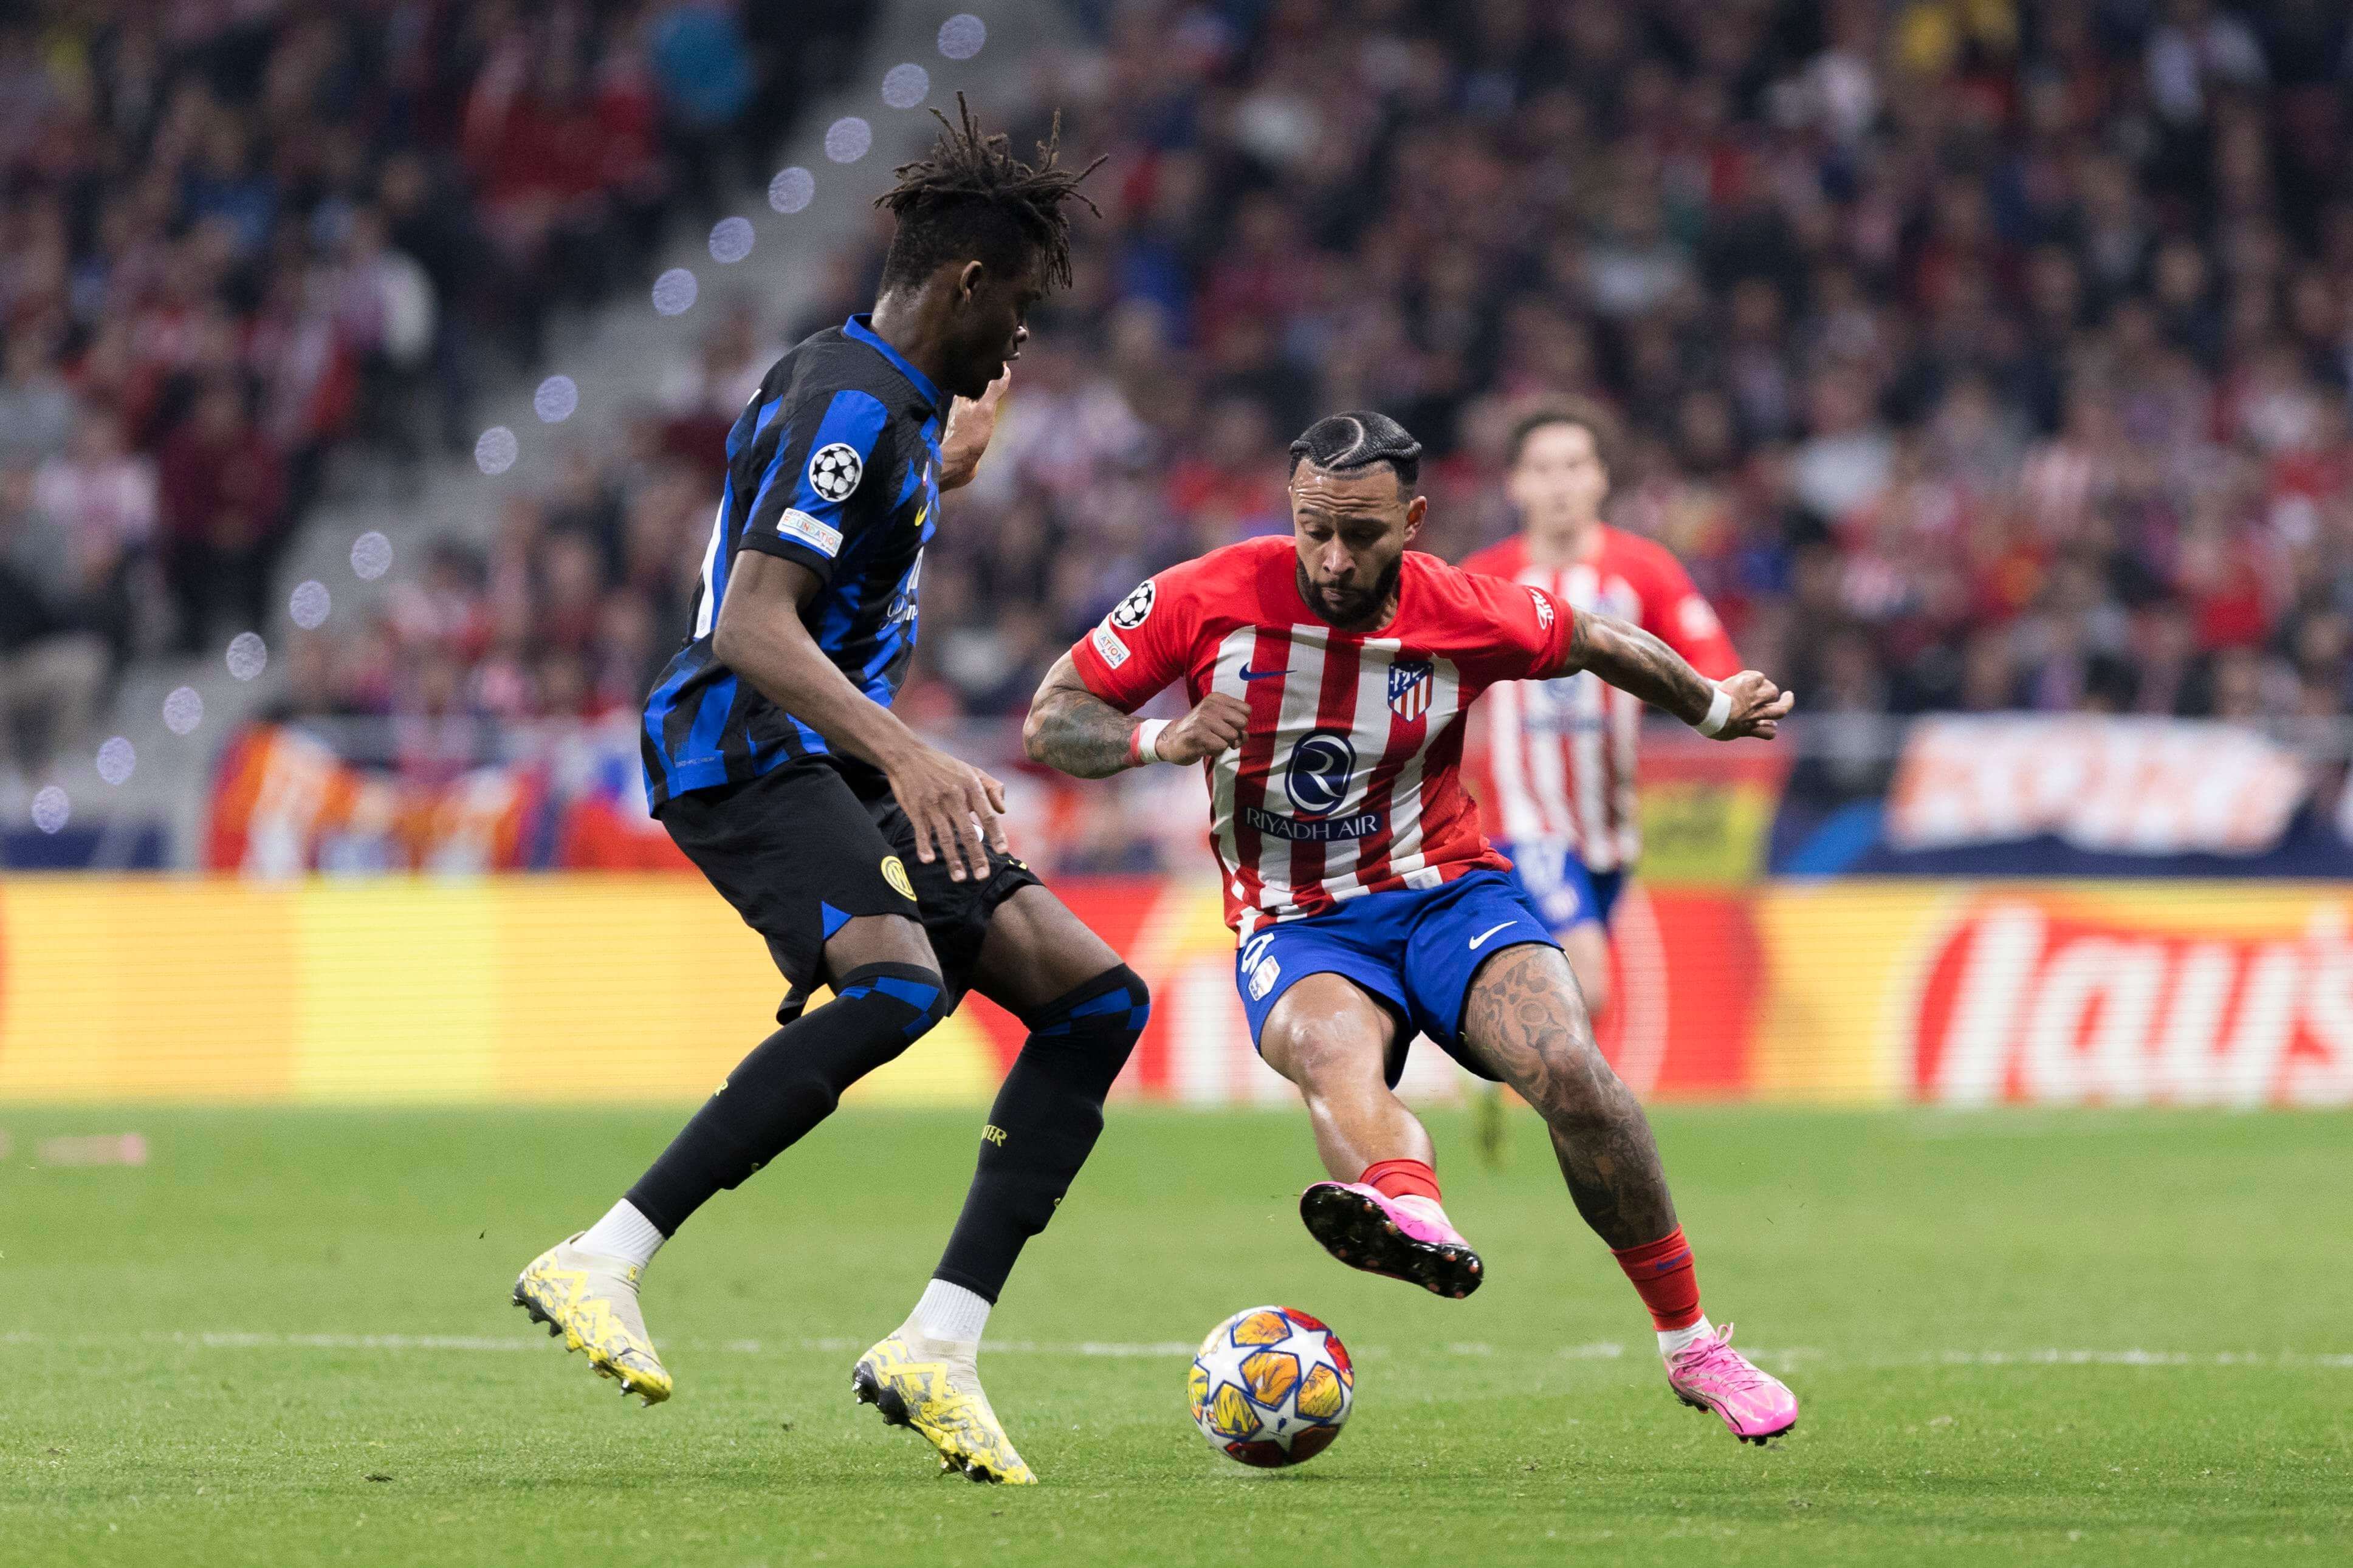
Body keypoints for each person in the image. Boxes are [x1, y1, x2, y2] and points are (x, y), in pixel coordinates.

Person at [512, 100, 1125, 1487]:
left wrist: (961, 453)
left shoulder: (893, 406)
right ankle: (601, 1255)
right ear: (966, 281)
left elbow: (890, 498)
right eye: (1016, 309)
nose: (1020, 338)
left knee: (1095, 1001)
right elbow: (752, 623)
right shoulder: (845, 400)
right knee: (901, 986)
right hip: (744, 737)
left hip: (830, 749)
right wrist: (909, 753)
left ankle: (940, 1344)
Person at [1022, 411, 1801, 1445]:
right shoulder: (1201, 596)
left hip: (1448, 892)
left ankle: (1692, 1343)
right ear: (1289, 511)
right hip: (1299, 920)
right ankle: (1409, 1205)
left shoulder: (1461, 606)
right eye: (1313, 530)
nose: (1334, 559)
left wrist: (1707, 709)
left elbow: (1594, 640)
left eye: (1363, 535)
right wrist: (1156, 736)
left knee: (1570, 1068)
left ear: (1414, 521)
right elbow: (1052, 716)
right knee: (1326, 1047)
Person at [1457, 400, 1740, 1159]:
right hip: (1525, 821)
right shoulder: (1485, 579)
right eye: (1542, 469)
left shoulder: (1642, 569)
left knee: (1571, 995)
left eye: (1574, 467)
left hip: (1610, 829)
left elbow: (1705, 657)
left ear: (1601, 478)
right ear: (1515, 483)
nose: (1559, 485)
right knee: (1590, 980)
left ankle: (1491, 1058)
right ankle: (1592, 1137)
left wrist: (1733, 693)